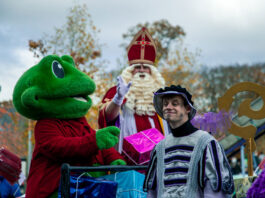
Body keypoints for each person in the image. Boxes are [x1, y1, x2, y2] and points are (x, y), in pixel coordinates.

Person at [12, 55, 126, 198]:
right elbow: (58, 147)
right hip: (55, 189)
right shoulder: (46, 124)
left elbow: (98, 145)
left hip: (86, 188)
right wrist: (94, 140)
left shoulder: (80, 121)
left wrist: (114, 159)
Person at [143, 85, 234, 197]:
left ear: (187, 108)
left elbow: (215, 190)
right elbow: (152, 192)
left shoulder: (206, 143)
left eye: (175, 104)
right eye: (165, 104)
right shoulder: (159, 148)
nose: (168, 107)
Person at [98, 27, 167, 153]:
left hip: (158, 160)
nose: (141, 70)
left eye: (145, 67)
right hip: (126, 160)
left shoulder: (162, 96)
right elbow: (106, 118)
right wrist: (118, 98)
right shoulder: (117, 91)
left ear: (152, 71)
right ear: (130, 71)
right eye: (137, 67)